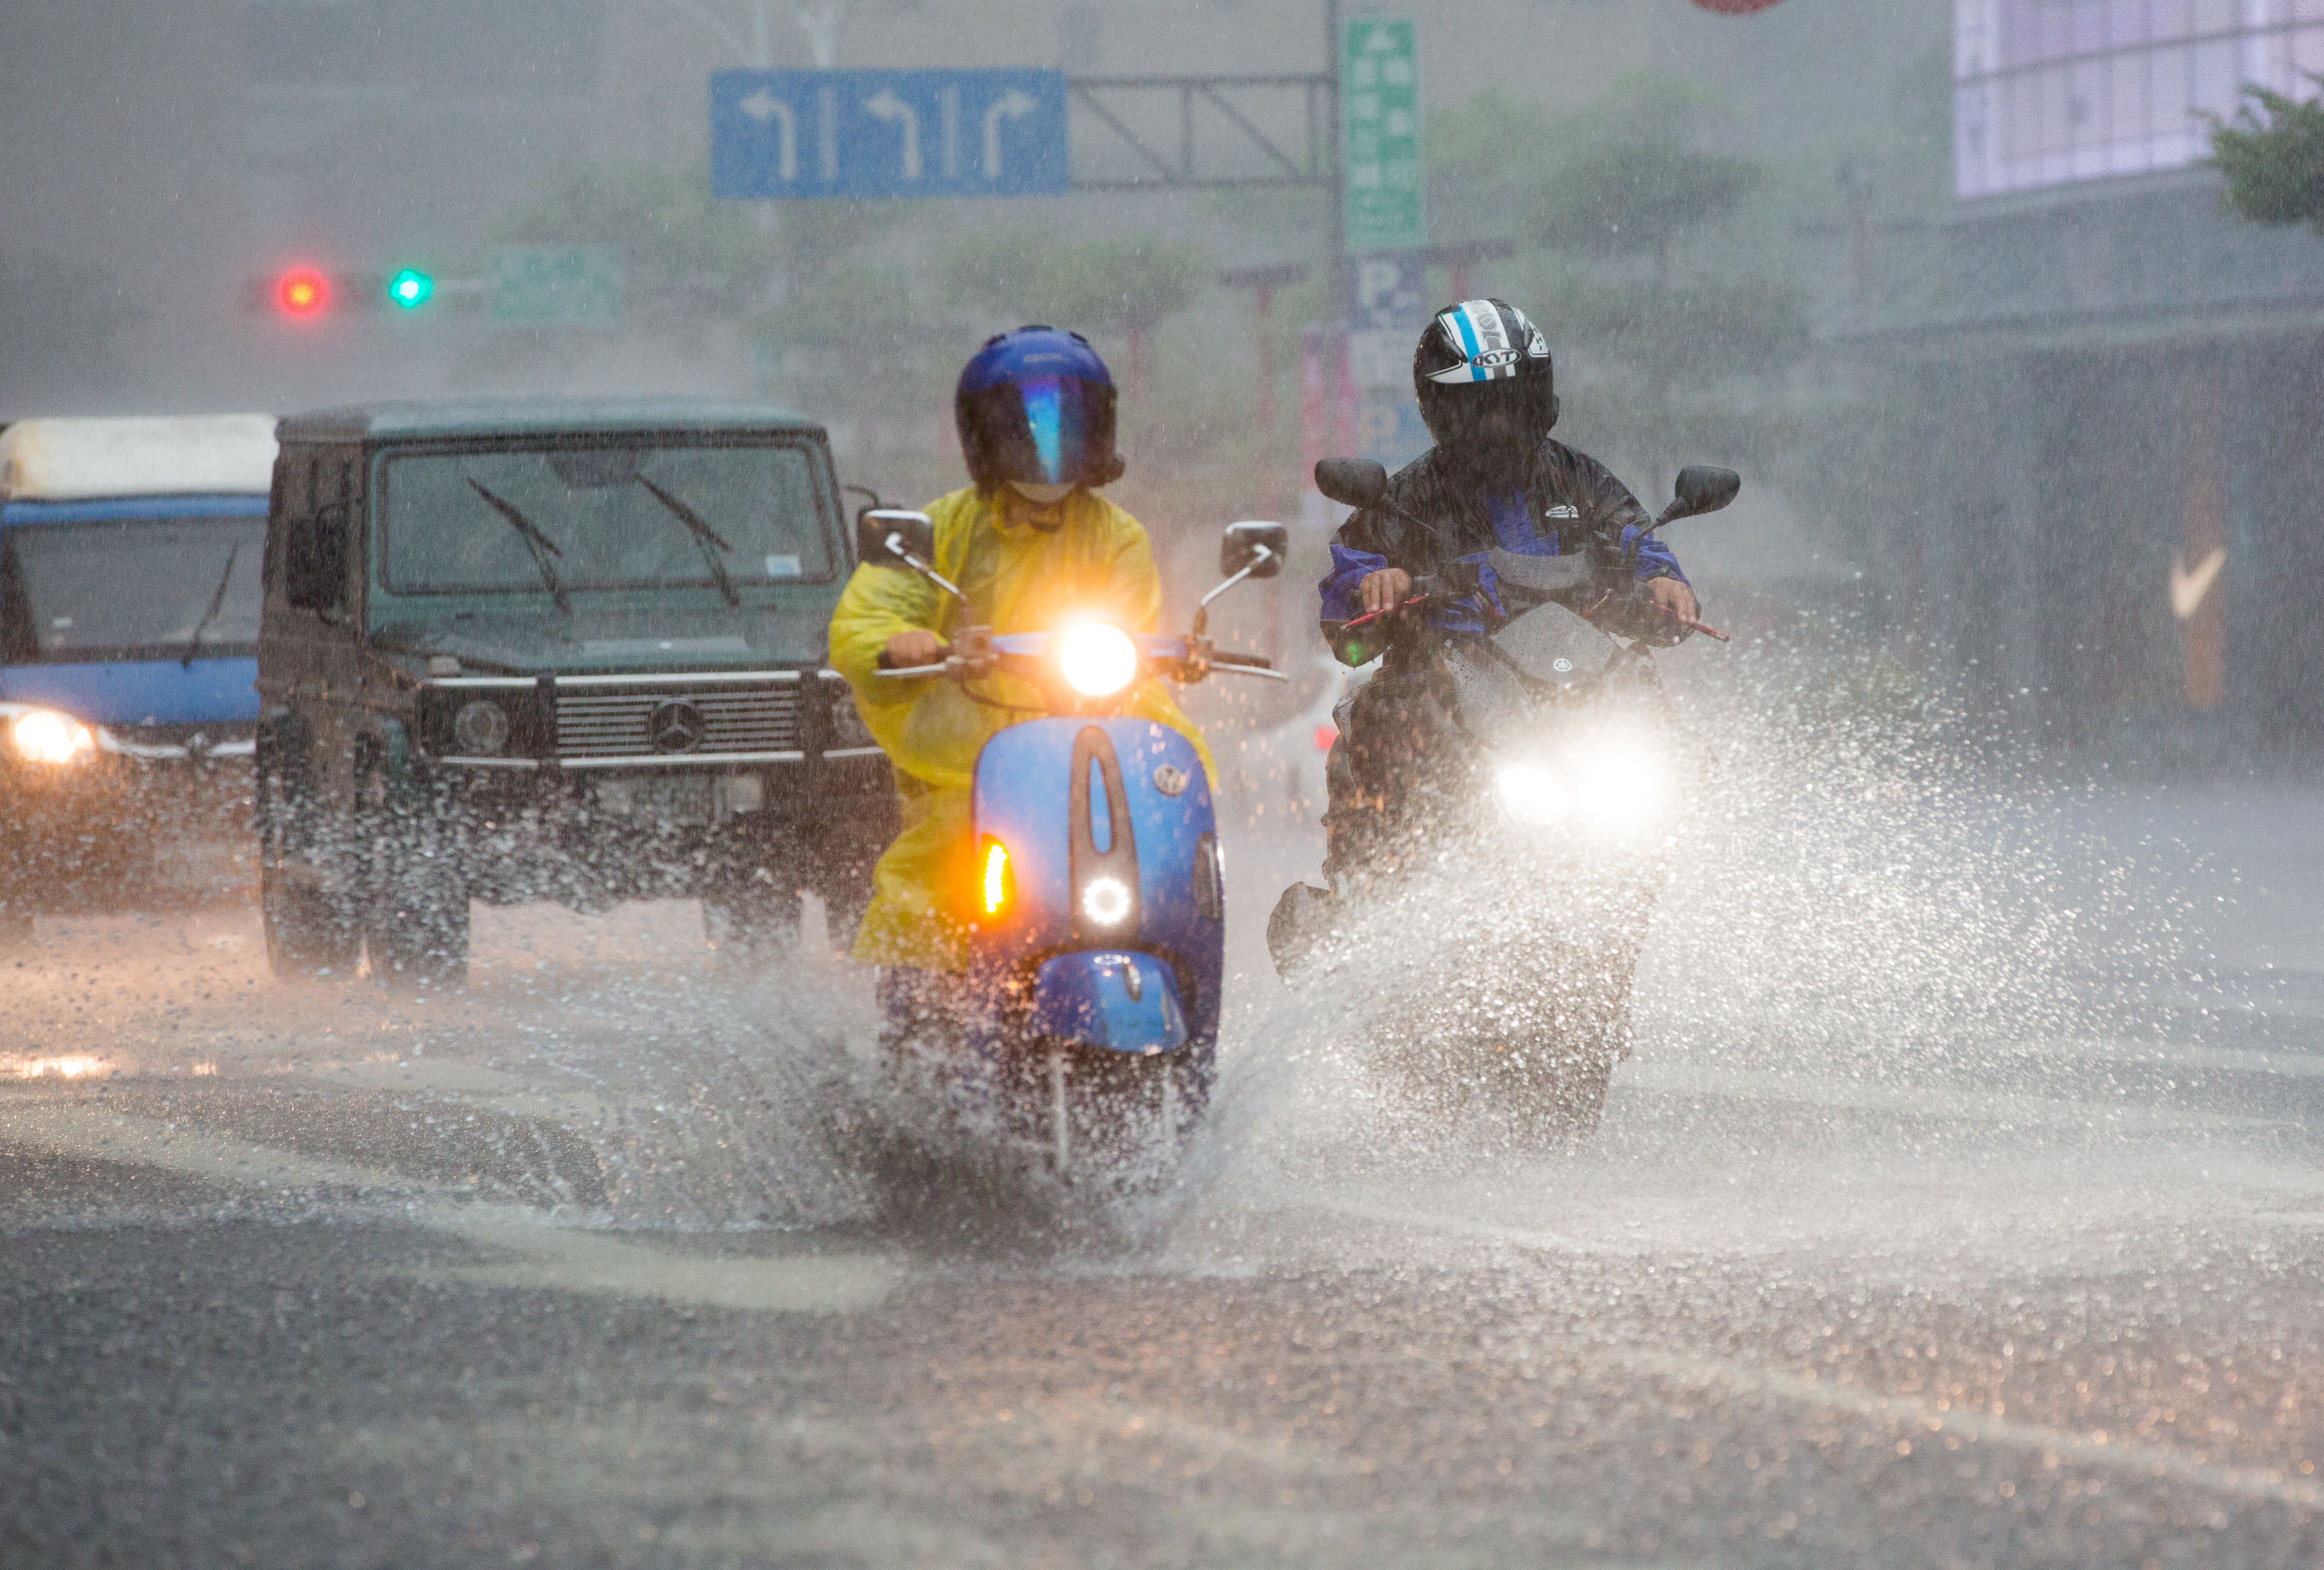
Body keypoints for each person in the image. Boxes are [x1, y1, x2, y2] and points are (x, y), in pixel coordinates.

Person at [826, 325, 1212, 1051]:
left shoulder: (1118, 535)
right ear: (983, 436)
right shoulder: (942, 527)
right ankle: (921, 1044)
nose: (1048, 440)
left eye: (1070, 420)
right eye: (1025, 423)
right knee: (937, 878)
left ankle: (1181, 988)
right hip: (972, 766)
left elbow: (1133, 630)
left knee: (1174, 820)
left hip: (1095, 734)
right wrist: (898, 641)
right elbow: (871, 609)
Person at [1311, 297, 1697, 884]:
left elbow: (1634, 539)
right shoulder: (1405, 497)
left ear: (1539, 397)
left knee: (1651, 713)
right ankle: (1365, 891)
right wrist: (1374, 583)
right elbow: (1350, 582)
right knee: (1378, 714)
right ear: (1439, 407)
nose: (1500, 421)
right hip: (1453, 701)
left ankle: (1670, 861)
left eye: (1513, 400)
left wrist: (1663, 582)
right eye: (1480, 406)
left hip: (1571, 698)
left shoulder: (1580, 478)